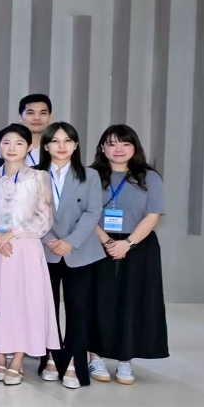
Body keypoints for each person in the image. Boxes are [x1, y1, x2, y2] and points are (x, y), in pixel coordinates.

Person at [0, 124, 58, 386]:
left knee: (23, 302)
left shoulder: (39, 177)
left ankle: (17, 359)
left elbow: (44, 218)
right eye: (6, 143)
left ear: (29, 147)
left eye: (19, 143)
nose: (12, 148)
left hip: (25, 247)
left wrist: (12, 233)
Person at [87, 125, 168, 385]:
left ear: (135, 147)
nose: (118, 149)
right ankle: (95, 357)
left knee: (132, 302)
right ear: (102, 148)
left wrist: (128, 243)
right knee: (98, 301)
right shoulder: (90, 175)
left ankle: (125, 360)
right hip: (98, 243)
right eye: (111, 143)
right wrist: (107, 241)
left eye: (125, 143)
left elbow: (153, 215)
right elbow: (85, 213)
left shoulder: (149, 177)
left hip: (138, 245)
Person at [34, 122, 104, 389]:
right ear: (46, 146)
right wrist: (50, 240)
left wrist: (70, 242)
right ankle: (51, 358)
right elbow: (30, 211)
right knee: (47, 308)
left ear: (76, 145)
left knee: (78, 309)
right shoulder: (35, 174)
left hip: (81, 250)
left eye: (67, 141)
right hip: (45, 249)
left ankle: (74, 362)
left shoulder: (90, 175)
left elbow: (93, 211)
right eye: (55, 141)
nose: (61, 146)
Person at [18, 94, 54, 166]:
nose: (37, 118)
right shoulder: (7, 146)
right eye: (30, 113)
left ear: (50, 117)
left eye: (43, 113)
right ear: (20, 117)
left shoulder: (58, 147)